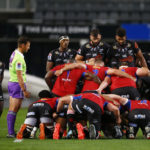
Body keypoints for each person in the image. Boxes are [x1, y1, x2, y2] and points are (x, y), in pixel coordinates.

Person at [55, 91, 122, 139]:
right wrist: (118, 119)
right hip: (96, 109)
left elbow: (61, 100)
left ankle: (71, 130)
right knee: (96, 132)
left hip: (83, 104)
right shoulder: (102, 99)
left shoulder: (82, 94)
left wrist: (57, 112)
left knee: (71, 105)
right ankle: (95, 131)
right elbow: (115, 109)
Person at [7, 36, 30, 138]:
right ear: (23, 45)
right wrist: (24, 90)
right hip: (17, 84)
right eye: (28, 46)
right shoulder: (19, 58)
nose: (28, 48)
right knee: (15, 108)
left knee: (12, 108)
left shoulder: (14, 53)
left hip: (11, 82)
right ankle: (11, 133)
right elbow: (19, 74)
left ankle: (11, 132)